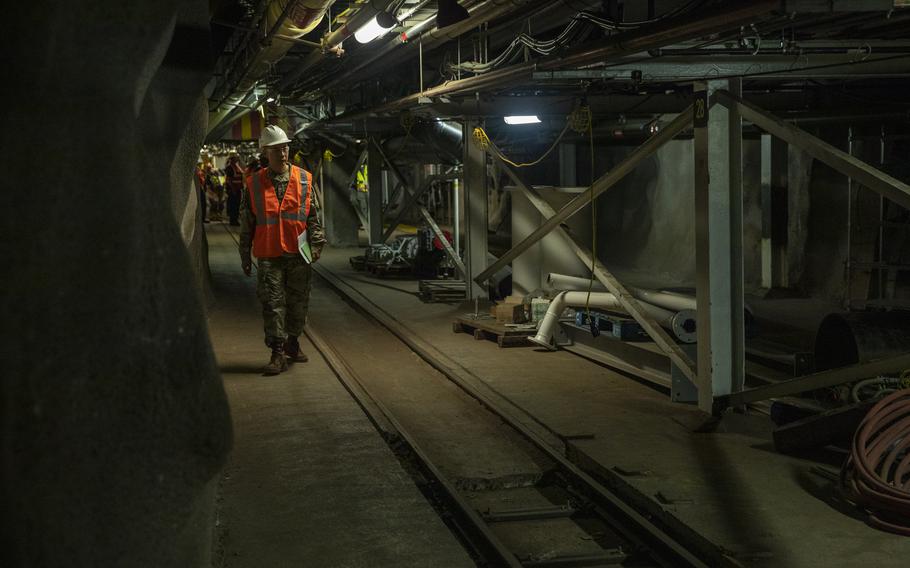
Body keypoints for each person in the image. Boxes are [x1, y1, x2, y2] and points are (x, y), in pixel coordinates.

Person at [239, 125, 326, 375]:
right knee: (273, 303)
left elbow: (313, 217)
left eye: (285, 148)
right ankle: (277, 352)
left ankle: (293, 343)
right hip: (269, 255)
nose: (283, 153)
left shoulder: (304, 179)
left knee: (299, 302)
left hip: (299, 254)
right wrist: (245, 255)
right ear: (265, 152)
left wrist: (317, 245)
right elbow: (247, 224)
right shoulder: (253, 184)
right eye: (276, 149)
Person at [224, 154, 244, 226]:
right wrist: (233, 189)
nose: (237, 159)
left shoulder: (237, 166)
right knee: (233, 205)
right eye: (236, 158)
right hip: (233, 190)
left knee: (237, 205)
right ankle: (233, 220)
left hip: (238, 189)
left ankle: (235, 219)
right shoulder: (230, 168)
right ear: (232, 159)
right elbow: (229, 180)